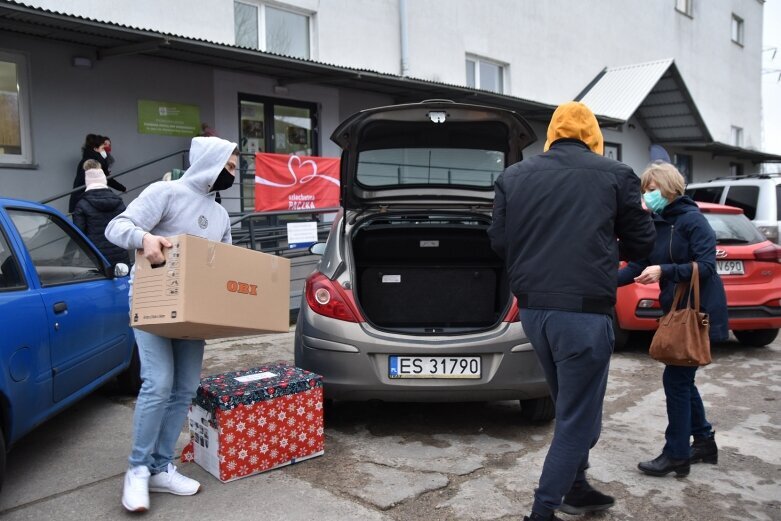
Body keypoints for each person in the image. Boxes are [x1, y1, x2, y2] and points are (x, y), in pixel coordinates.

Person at [488, 101, 656, 521]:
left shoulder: (514, 176)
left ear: (554, 134)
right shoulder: (616, 175)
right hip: (583, 315)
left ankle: (576, 488)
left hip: (534, 312)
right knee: (579, 421)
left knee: (570, 406)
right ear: (593, 136)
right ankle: (542, 512)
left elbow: (499, 242)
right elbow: (642, 245)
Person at [105, 136, 239, 513]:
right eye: (228, 166)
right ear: (210, 162)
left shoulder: (220, 214)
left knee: (184, 387)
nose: (233, 172)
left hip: (193, 311)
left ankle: (161, 467)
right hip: (152, 302)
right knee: (158, 382)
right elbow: (117, 226)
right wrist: (144, 237)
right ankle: (136, 470)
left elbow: (224, 263)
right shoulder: (166, 191)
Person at [618, 161, 727, 477]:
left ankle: (677, 454)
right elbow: (637, 264)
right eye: (645, 191)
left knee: (676, 380)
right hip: (675, 310)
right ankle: (703, 440)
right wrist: (603, 280)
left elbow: (706, 267)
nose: (647, 196)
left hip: (696, 311)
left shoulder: (694, 222)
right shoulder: (656, 223)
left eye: (651, 190)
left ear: (668, 188)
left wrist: (665, 271)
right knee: (683, 379)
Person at [72, 160, 130, 266]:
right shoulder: (118, 201)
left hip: (95, 258)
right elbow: (126, 227)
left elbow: (78, 234)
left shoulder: (82, 204)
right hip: (120, 256)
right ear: (104, 180)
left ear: (87, 182)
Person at [69, 134, 126, 213]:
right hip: (86, 203)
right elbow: (107, 179)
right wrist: (122, 188)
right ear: (95, 149)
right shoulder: (94, 163)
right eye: (103, 148)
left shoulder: (88, 160)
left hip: (80, 202)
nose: (104, 150)